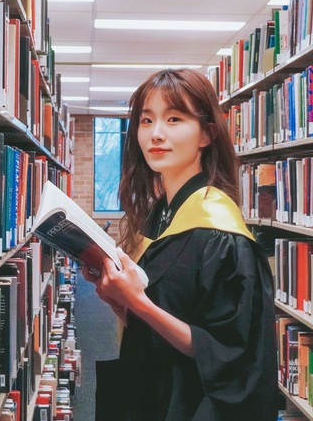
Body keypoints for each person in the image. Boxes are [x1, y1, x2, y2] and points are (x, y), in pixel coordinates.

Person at [82, 68, 278, 421]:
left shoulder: (220, 233)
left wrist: (139, 304)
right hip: (151, 393)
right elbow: (167, 318)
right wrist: (118, 300)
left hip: (190, 407)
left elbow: (227, 354)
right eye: (146, 120)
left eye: (174, 119)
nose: (156, 134)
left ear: (206, 134)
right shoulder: (160, 215)